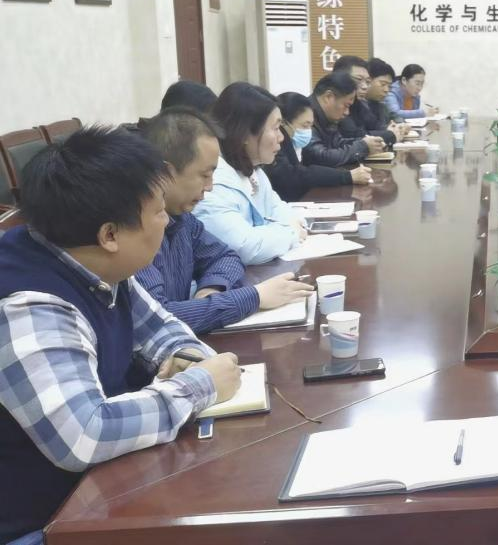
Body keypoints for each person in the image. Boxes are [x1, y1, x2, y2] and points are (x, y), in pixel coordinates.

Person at [0, 127, 241, 542]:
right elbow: (85, 434)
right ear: (110, 234)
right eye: (159, 211)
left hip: (98, 495)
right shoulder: (30, 306)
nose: (168, 221)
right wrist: (200, 385)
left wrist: (184, 358)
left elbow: (162, 328)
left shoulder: (92, 260)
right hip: (43, 525)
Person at [134, 108, 314, 333]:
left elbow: (226, 256)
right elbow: (158, 319)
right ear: (165, 173)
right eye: (204, 175)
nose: (210, 187)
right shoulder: (135, 231)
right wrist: (255, 297)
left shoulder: (183, 219)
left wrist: (212, 289)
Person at [193, 82, 306, 265]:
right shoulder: (212, 182)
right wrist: (291, 233)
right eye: (275, 128)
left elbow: (278, 209)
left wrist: (288, 227)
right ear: (245, 134)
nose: (281, 137)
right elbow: (244, 246)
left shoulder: (252, 170)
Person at [266, 91, 372, 201]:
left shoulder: (295, 143)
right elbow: (295, 175)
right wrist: (346, 176)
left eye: (310, 126)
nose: (308, 131)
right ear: (283, 123)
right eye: (304, 125)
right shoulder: (277, 145)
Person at [303, 73, 384, 168]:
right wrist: (363, 146)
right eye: (346, 105)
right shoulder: (304, 114)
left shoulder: (326, 116)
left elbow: (338, 143)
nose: (347, 112)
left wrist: (367, 142)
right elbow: (321, 157)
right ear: (328, 97)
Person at [332, 55, 403, 147]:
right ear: (339, 78)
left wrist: (394, 128)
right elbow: (353, 135)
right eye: (359, 80)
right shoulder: (335, 103)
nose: (365, 86)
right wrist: (390, 134)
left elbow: (375, 125)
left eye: (367, 82)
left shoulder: (359, 103)